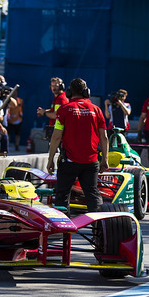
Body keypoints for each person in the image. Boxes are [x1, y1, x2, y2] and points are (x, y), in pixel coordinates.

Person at [46, 78, 108, 213]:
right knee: (92, 194)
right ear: (86, 92)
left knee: (62, 195)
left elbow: (56, 137)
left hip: (69, 161)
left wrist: (50, 159)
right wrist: (105, 159)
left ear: (69, 92)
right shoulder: (96, 110)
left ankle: (62, 231)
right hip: (91, 161)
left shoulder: (64, 110)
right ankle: (101, 229)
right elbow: (104, 137)